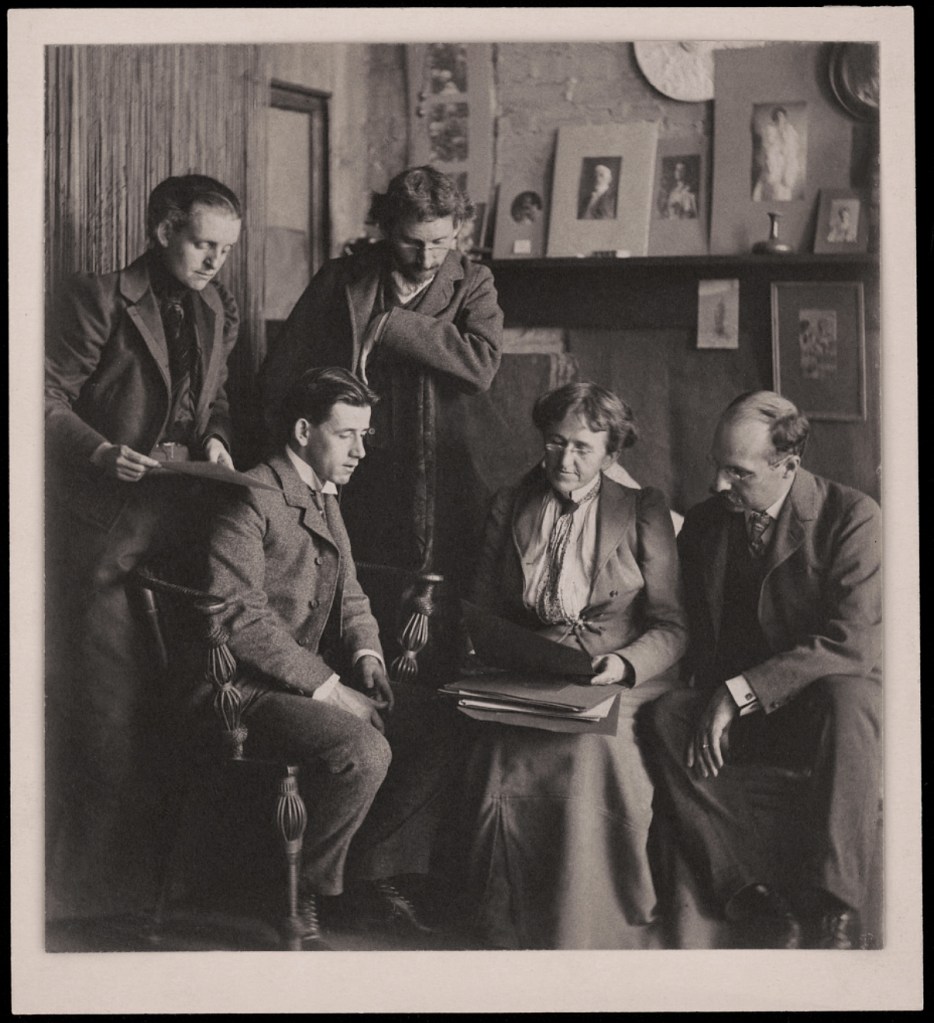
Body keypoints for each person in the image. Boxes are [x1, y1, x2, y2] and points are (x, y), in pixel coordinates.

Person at [202, 367, 466, 949]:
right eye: (347, 435)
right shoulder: (250, 494)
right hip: (247, 690)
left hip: (305, 682)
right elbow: (240, 617)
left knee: (443, 723)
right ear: (304, 431)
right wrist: (330, 688)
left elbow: (350, 593)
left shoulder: (323, 492)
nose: (360, 451)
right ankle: (303, 889)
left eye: (364, 436)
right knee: (362, 749)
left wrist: (368, 655)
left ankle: (363, 872)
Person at [44, 173, 243, 922]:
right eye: (202, 244)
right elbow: (39, 395)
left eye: (225, 249)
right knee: (108, 711)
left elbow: (216, 401)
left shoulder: (218, 307)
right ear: (162, 231)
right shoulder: (98, 298)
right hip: (106, 527)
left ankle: (167, 891)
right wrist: (100, 452)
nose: (215, 261)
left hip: (185, 520)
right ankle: (85, 900)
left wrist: (216, 439)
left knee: (178, 702)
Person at [647, 391, 882, 950]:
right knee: (665, 715)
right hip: (742, 715)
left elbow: (851, 643)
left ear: (788, 466)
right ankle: (750, 893)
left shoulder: (852, 517)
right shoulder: (705, 523)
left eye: (738, 473)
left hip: (819, 713)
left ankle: (835, 909)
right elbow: (682, 626)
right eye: (717, 466)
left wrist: (739, 693)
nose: (717, 484)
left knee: (852, 699)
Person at [463, 382, 688, 949]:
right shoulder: (511, 502)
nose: (565, 460)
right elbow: (481, 608)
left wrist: (624, 664)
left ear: (611, 454)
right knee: (495, 743)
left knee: (590, 745)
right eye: (555, 442)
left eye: (583, 448)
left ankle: (586, 925)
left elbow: (672, 626)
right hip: (538, 668)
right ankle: (508, 925)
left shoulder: (642, 509)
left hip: (621, 673)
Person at [259, 165, 503, 591]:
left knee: (427, 592)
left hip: (435, 472)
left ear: (458, 230)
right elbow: (280, 374)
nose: (426, 258)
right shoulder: (341, 277)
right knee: (348, 578)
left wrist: (393, 325)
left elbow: (480, 365)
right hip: (351, 464)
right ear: (387, 229)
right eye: (412, 242)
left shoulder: (474, 283)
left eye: (440, 243)